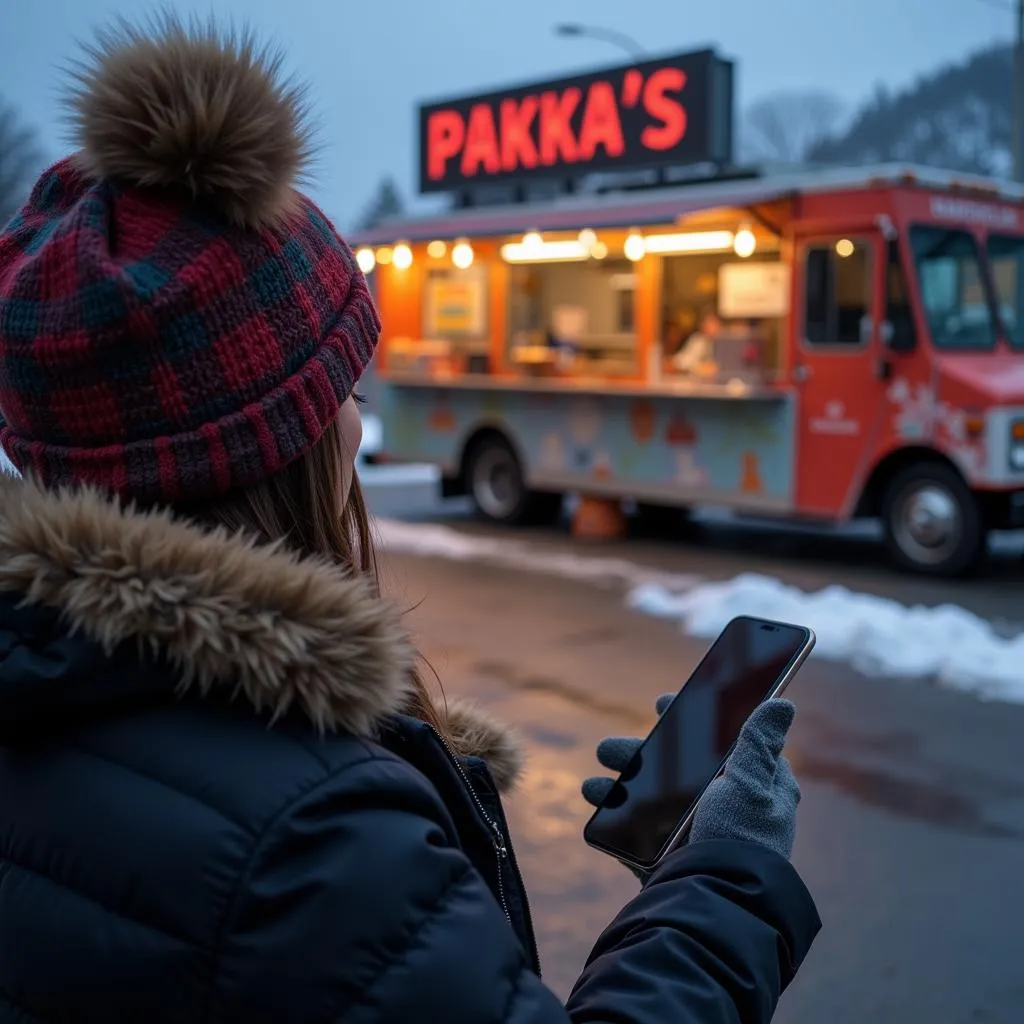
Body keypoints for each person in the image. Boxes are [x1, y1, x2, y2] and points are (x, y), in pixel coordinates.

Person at [0, 17, 820, 1022]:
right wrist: (726, 878)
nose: (356, 414)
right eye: (341, 383)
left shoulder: (50, 686)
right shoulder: (317, 835)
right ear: (282, 445)